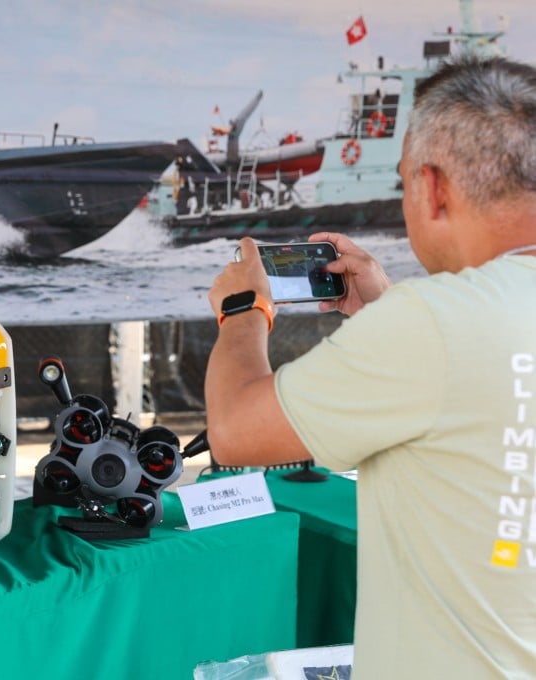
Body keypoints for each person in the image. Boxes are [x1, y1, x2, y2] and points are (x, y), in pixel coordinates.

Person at [205, 56, 536, 677]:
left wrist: (244, 309)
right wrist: (384, 310)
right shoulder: (438, 324)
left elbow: (235, 429)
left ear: (432, 188)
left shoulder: (433, 324)